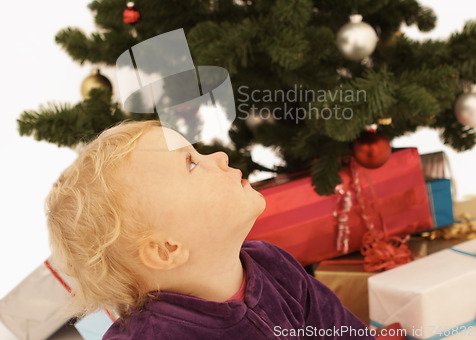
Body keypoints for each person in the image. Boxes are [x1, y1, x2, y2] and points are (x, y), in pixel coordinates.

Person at [46, 120, 376, 339]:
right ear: (166, 249)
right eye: (191, 163)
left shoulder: (271, 264)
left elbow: (339, 329)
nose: (218, 155)